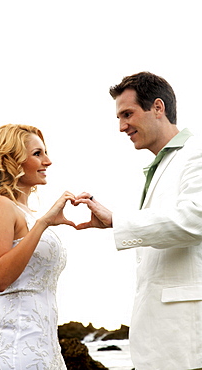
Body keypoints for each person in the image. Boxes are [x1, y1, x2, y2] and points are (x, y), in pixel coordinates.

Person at [74, 72, 202, 370]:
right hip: (161, 343)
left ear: (158, 108)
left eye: (127, 114)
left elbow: (195, 218)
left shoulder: (196, 154)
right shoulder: (162, 164)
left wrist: (118, 220)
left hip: (187, 342)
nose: (121, 126)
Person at [0, 124, 76, 370]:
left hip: (44, 347)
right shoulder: (1, 205)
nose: (48, 161)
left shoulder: (27, 215)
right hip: (15, 348)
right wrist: (43, 224)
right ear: (12, 160)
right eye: (37, 153)